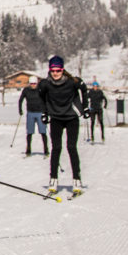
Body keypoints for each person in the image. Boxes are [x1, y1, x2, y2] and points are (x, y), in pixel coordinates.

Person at [35, 56, 88, 195]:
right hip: (56, 118)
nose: (55, 73)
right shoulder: (45, 84)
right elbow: (40, 97)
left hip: (71, 118)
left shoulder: (72, 81)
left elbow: (84, 89)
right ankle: (53, 180)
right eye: (53, 70)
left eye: (58, 70)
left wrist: (85, 107)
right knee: (56, 148)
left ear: (62, 70)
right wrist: (44, 112)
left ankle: (77, 180)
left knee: (71, 147)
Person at [17, 77, 47, 156]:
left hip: (40, 113)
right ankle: (28, 149)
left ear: (37, 83)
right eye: (31, 84)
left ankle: (46, 149)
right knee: (29, 132)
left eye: (34, 83)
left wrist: (46, 111)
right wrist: (20, 109)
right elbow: (20, 100)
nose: (33, 85)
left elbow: (46, 100)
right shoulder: (26, 90)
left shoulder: (40, 90)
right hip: (30, 113)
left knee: (43, 132)